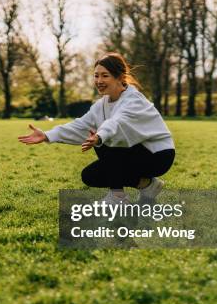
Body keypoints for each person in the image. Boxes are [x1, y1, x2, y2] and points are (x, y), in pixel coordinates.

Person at [18, 52, 175, 203]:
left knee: (105, 143)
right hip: (134, 153)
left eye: (105, 75)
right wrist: (47, 135)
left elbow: (117, 122)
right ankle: (147, 185)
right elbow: (81, 125)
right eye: (96, 75)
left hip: (158, 156)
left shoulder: (134, 100)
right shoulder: (101, 105)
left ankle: (117, 197)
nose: (99, 80)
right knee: (91, 175)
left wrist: (100, 136)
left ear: (119, 77)